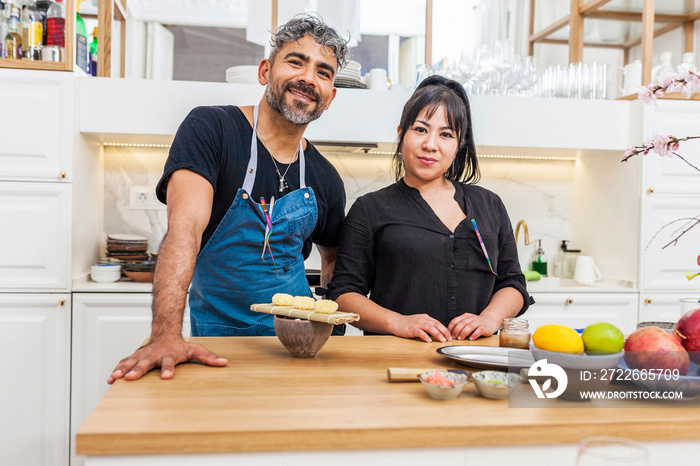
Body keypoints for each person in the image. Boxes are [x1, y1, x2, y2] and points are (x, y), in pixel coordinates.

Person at [108, 16, 349, 384]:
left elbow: (332, 260)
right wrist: (166, 335)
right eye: (296, 62)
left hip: (298, 352)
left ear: (330, 97)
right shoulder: (210, 130)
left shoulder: (326, 178)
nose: (308, 78)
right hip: (217, 344)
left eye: (323, 72)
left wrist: (327, 332)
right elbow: (184, 229)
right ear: (265, 70)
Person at [326, 75, 532, 343]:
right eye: (421, 129)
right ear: (401, 134)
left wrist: (489, 318)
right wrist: (398, 322)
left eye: (446, 134)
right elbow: (343, 294)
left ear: (459, 145)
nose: (430, 145)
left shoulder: (489, 204)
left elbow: (513, 283)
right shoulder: (369, 209)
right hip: (394, 359)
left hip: (475, 357)